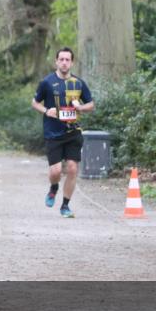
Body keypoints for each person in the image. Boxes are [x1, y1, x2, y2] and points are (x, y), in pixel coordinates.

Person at [31, 47, 94, 219]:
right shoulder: (47, 82)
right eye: (62, 59)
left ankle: (65, 205)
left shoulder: (78, 83)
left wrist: (80, 107)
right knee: (56, 172)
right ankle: (53, 188)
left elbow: (91, 104)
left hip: (73, 132)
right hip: (53, 133)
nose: (64, 62)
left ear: (72, 62)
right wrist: (46, 111)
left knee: (72, 169)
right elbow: (35, 102)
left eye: (68, 60)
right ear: (56, 61)